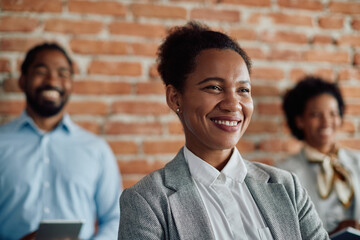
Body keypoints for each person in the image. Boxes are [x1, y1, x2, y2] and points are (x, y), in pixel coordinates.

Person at [118, 22, 329, 240]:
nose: (233, 104)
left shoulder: (287, 188)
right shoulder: (148, 201)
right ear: (175, 98)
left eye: (243, 90)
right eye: (214, 87)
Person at [0, 43, 122, 240]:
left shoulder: (96, 149)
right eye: (41, 71)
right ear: (22, 81)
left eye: (63, 74)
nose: (52, 80)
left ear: (71, 85)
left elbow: (116, 218)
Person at [277, 76, 360, 234]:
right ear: (300, 120)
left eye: (333, 113)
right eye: (316, 115)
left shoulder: (358, 161)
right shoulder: (284, 174)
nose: (326, 121)